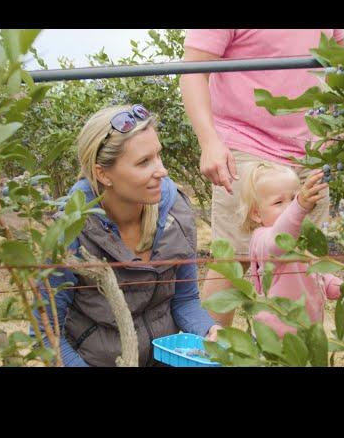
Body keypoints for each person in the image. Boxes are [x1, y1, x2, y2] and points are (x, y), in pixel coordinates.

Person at [180, 29, 344, 327]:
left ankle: (296, 354)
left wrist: (337, 125)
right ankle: (207, 355)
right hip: (246, 144)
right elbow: (192, 70)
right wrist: (209, 142)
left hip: (311, 151)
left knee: (302, 260)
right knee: (233, 259)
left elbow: (338, 65)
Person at [33, 104, 220, 367]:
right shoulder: (68, 232)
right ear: (103, 174)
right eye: (144, 162)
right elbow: (46, 333)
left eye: (159, 156)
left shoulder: (175, 212)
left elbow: (185, 299)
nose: (162, 170)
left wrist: (209, 330)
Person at [238, 161, 342, 337]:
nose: (289, 208)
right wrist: (299, 206)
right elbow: (279, 240)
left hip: (308, 334)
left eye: (293, 198)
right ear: (256, 213)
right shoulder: (262, 239)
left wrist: (339, 286)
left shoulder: (301, 238)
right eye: (278, 202)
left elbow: (314, 272)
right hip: (275, 339)